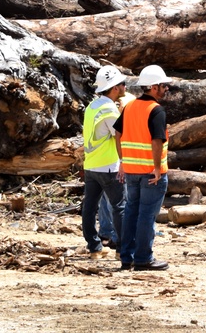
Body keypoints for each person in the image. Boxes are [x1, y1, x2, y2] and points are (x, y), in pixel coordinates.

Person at [114, 65, 173, 271]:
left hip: (131, 170)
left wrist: (123, 160)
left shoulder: (129, 107)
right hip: (151, 173)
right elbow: (157, 140)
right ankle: (143, 258)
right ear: (154, 87)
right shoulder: (156, 110)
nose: (166, 89)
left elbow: (118, 134)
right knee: (146, 215)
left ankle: (127, 257)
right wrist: (157, 168)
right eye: (164, 85)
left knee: (131, 212)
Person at [81, 66, 126, 259]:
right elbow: (118, 135)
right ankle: (122, 249)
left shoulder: (93, 106)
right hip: (108, 166)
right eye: (122, 84)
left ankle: (94, 247)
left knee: (90, 207)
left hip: (91, 165)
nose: (125, 86)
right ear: (114, 88)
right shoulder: (109, 109)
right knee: (119, 207)